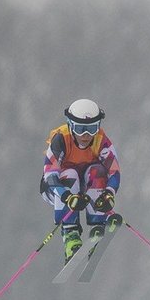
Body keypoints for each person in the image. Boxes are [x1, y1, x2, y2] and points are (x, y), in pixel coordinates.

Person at [39, 98, 122, 263]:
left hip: (86, 188)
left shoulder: (100, 141)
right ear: (70, 125)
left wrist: (109, 194)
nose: (85, 135)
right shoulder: (61, 139)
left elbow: (114, 172)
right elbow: (50, 175)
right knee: (70, 174)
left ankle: (96, 227)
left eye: (91, 129)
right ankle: (70, 234)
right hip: (57, 190)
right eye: (80, 129)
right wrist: (67, 197)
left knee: (97, 171)